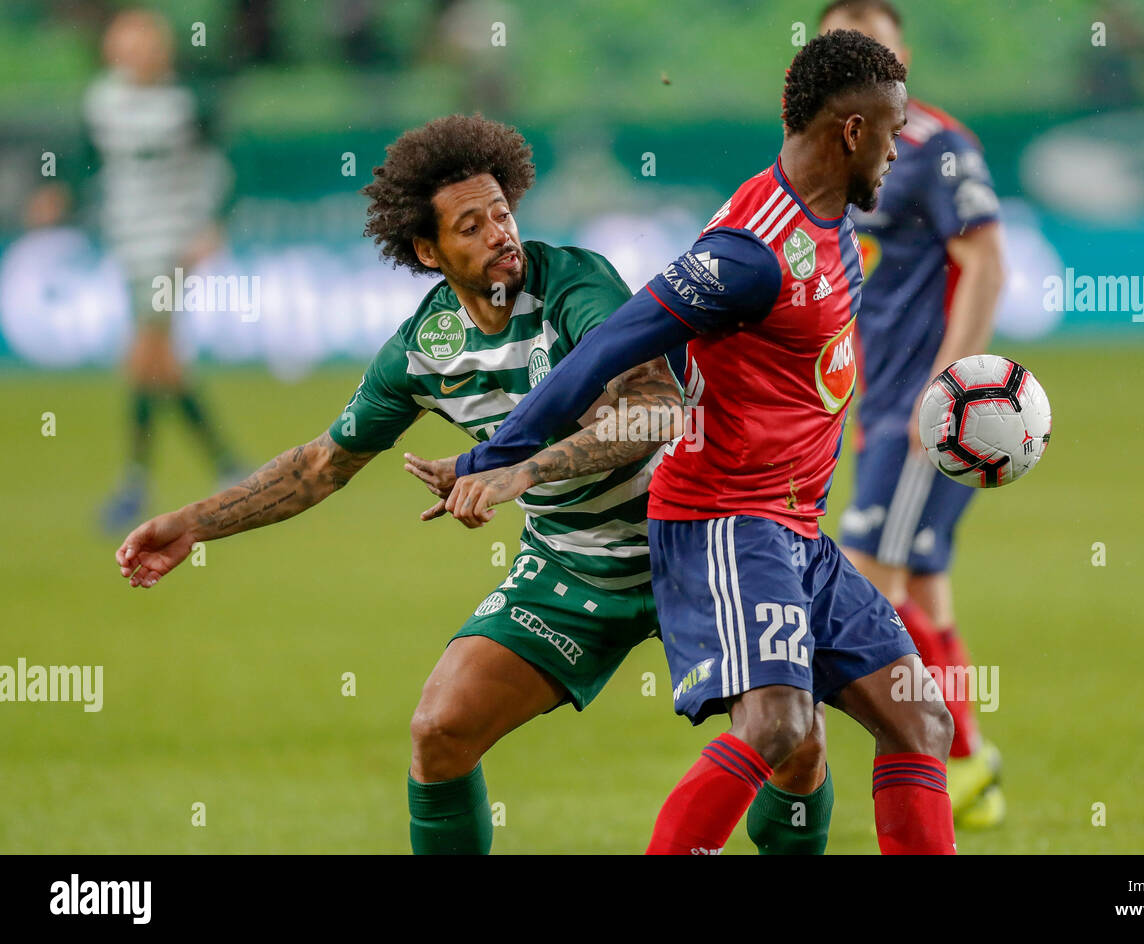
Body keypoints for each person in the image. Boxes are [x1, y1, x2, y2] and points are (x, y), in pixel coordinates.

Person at [114, 114, 827, 854]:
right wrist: (193, 523)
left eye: (502, 213)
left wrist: (520, 472)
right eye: (471, 225)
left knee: (794, 740)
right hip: (574, 563)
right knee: (441, 730)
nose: (500, 233)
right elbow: (322, 465)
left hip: (700, 542)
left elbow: (652, 413)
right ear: (428, 250)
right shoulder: (425, 351)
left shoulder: (575, 284)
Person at [437, 31, 957, 855]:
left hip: (795, 530)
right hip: (727, 520)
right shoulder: (752, 253)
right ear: (851, 131)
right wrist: (502, 454)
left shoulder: (832, 227)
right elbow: (615, 343)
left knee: (920, 720)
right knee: (779, 725)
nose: (901, 152)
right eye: (893, 132)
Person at [818, 0, 1007, 827]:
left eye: (876, 54)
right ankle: (970, 765)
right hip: (875, 401)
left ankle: (935, 761)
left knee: (865, 587)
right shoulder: (827, 155)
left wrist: (946, 385)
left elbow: (988, 263)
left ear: (904, 60)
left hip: (922, 408)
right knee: (924, 586)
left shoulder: (936, 149)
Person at [88, 8, 244, 531]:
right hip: (129, 243)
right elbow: (85, 159)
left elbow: (218, 166)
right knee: (160, 362)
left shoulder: (186, 104)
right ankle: (227, 464)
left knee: (146, 351)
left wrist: (211, 224)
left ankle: (133, 484)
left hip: (171, 244)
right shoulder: (101, 102)